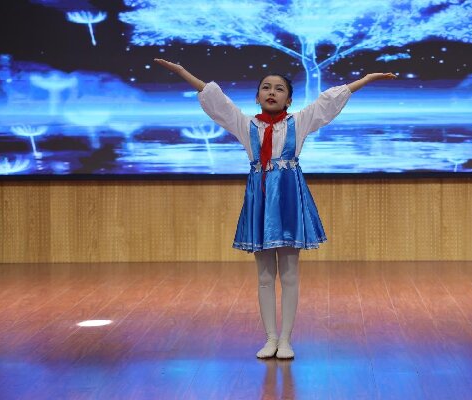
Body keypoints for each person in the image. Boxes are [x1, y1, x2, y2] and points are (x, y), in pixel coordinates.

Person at [154, 58, 396, 359]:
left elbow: (329, 101)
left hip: (289, 198)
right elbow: (216, 100)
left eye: (279, 89)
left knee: (290, 274)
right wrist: (182, 71)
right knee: (265, 276)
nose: (272, 92)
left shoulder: (299, 122)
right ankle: (270, 338)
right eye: (266, 88)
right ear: (257, 96)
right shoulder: (245, 125)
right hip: (261, 198)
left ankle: (286, 339)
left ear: (289, 99)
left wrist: (367, 79)